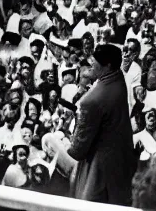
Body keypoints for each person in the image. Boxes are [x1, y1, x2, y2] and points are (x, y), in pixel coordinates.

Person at [54, 42, 137, 205]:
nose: (91, 63)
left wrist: (68, 132)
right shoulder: (118, 79)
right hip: (119, 161)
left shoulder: (91, 101)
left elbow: (77, 151)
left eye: (96, 60)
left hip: (98, 170)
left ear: (108, 65)